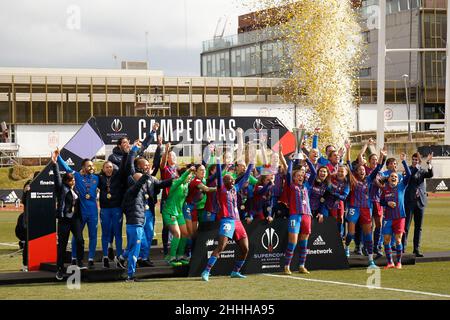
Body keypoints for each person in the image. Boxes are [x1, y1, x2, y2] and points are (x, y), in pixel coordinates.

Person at [200, 144, 256, 282]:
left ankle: (235, 271)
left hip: (237, 221)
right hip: (227, 221)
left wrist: (252, 162)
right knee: (221, 246)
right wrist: (219, 158)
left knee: (245, 248)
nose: (231, 180)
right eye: (228, 179)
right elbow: (219, 173)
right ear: (223, 182)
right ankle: (206, 271)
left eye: (231, 179)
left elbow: (247, 175)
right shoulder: (221, 189)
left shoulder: (235, 188)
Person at [345, 146, 386, 268]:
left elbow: (377, 167)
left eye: (364, 169)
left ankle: (370, 260)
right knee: (351, 233)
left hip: (366, 209)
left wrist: (381, 156)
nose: (362, 171)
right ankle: (346, 246)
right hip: (354, 208)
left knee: (368, 235)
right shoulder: (353, 179)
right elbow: (348, 164)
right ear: (357, 171)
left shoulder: (369, 179)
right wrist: (348, 150)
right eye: (360, 169)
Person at [57, 155, 99, 268]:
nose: (91, 167)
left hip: (93, 212)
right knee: (77, 236)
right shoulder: (77, 177)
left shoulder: (97, 178)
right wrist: (59, 157)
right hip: (81, 212)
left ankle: (90, 259)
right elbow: (67, 168)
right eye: (88, 166)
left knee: (93, 235)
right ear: (83, 167)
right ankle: (74, 258)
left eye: (92, 165)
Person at [51, 149, 85, 280]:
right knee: (63, 245)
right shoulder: (61, 188)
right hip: (64, 220)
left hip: (75, 219)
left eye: (74, 180)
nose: (73, 181)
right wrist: (54, 163)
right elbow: (57, 177)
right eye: (71, 180)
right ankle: (60, 269)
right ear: (66, 181)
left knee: (80, 240)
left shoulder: (75, 188)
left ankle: (80, 262)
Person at [284, 152, 317, 275]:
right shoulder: (291, 186)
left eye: (302, 175)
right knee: (293, 242)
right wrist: (291, 161)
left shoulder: (307, 186)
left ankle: (302, 266)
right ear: (294, 177)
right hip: (295, 215)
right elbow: (288, 173)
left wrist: (307, 159)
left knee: (304, 242)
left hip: (307, 215)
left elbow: (314, 173)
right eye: (298, 175)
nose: (300, 177)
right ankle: (287, 266)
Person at [380, 153, 411, 269]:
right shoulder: (385, 189)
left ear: (398, 180)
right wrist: (387, 203)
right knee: (386, 240)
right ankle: (389, 262)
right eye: (391, 176)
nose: (393, 178)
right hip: (388, 217)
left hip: (399, 217)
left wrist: (403, 161)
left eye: (395, 177)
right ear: (388, 179)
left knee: (398, 240)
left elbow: (409, 174)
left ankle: (399, 262)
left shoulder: (402, 186)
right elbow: (381, 202)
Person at [162, 166, 196, 266]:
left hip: (179, 213)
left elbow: (196, 179)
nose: (190, 177)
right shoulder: (176, 182)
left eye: (190, 176)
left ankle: (180, 256)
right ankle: (171, 258)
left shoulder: (186, 185)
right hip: (169, 212)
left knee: (185, 234)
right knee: (177, 234)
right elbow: (181, 179)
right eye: (188, 175)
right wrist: (189, 171)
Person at [122, 171, 152, 282]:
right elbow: (139, 184)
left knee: (131, 247)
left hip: (134, 224)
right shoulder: (134, 190)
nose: (143, 184)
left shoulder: (133, 192)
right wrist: (147, 175)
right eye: (141, 181)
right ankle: (130, 275)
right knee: (135, 250)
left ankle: (120, 258)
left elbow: (124, 207)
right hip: (135, 225)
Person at [402, 152, 434, 257]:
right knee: (406, 226)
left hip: (420, 201)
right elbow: (410, 176)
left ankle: (416, 249)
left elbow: (430, 174)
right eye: (413, 159)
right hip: (410, 201)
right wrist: (414, 166)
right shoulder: (408, 169)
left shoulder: (422, 171)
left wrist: (429, 163)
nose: (415, 161)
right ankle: (402, 248)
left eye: (416, 160)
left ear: (419, 161)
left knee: (418, 227)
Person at [98, 159, 127, 269]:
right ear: (103, 169)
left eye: (111, 167)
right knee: (105, 233)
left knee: (118, 233)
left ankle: (119, 257)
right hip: (105, 209)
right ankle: (105, 257)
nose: (109, 169)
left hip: (116, 209)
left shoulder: (118, 176)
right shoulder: (99, 178)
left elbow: (124, 165)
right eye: (107, 167)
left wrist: (126, 153)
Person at [15, 179, 32, 272]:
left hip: (40, 220)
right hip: (29, 221)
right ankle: (25, 264)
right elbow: (24, 201)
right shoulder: (29, 185)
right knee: (28, 244)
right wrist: (25, 192)